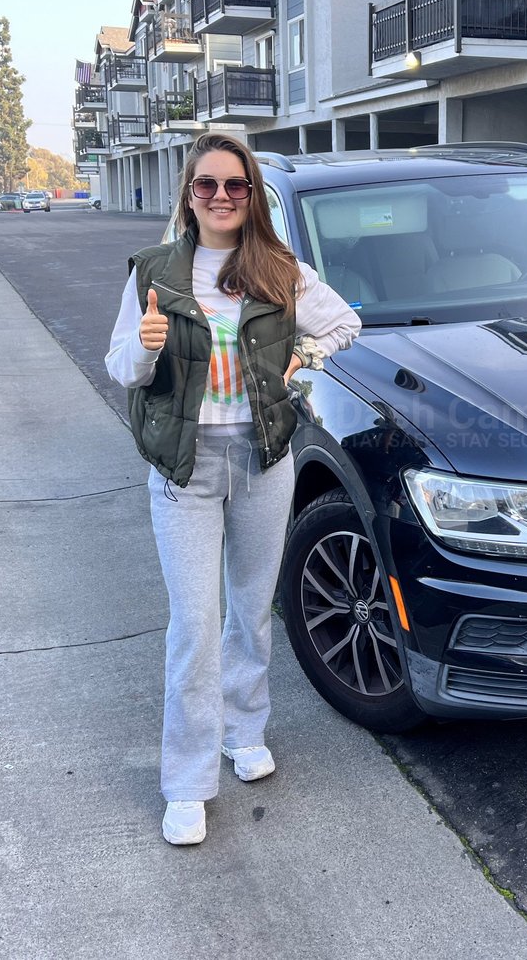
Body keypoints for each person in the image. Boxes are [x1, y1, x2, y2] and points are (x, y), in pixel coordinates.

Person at [104, 133, 360, 846]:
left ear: (252, 196)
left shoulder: (280, 270)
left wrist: (304, 355)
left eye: (235, 186)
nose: (221, 197)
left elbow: (347, 322)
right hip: (184, 467)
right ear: (188, 195)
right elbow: (121, 367)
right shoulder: (154, 272)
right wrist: (148, 342)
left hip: (262, 459)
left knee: (249, 609)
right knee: (193, 622)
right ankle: (186, 782)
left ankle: (243, 731)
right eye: (207, 185)